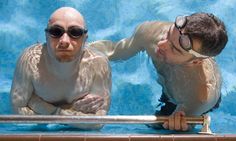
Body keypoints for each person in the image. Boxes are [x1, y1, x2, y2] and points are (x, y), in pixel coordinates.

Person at [90, 13, 228, 131]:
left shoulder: (199, 96)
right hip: (173, 85)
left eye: (174, 49)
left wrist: (183, 126)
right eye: (168, 34)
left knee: (162, 126)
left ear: (195, 62)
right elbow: (115, 51)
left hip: (189, 100)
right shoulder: (151, 33)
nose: (161, 44)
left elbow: (187, 121)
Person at [10, 7, 111, 130]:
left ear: (85, 38)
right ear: (46, 36)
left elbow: (98, 122)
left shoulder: (98, 64)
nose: (64, 41)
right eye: (56, 32)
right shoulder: (30, 60)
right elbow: (17, 113)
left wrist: (50, 110)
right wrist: (73, 111)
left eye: (75, 32)